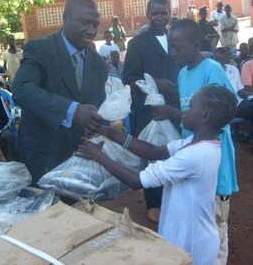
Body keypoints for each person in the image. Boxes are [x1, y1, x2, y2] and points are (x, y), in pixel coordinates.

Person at [78, 85, 237, 265]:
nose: (185, 111)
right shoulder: (197, 144)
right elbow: (152, 152)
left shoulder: (195, 155)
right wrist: (111, 133)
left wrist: (98, 155)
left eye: (191, 106)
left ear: (205, 116)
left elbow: (137, 181)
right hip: (189, 237)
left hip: (192, 244)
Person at [151, 19, 238, 264]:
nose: (173, 52)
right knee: (194, 226)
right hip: (190, 160)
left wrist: (173, 113)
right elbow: (190, 118)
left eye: (178, 47)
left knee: (215, 226)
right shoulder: (182, 73)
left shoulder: (212, 69)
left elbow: (222, 119)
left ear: (196, 44)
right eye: (171, 47)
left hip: (213, 167)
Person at [12, 0, 106, 187]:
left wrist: (100, 128)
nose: (91, 30)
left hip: (81, 159)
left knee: (78, 214)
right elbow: (22, 89)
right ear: (65, 18)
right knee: (43, 214)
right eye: (85, 22)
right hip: (43, 158)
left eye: (95, 24)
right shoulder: (40, 49)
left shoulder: (98, 64)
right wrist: (72, 110)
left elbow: (97, 106)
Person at [122, 0, 180, 223]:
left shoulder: (176, 38)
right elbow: (128, 78)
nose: (159, 17)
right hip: (151, 112)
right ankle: (154, 203)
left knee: (174, 152)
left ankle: (174, 197)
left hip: (175, 108)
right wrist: (156, 82)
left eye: (163, 13)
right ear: (147, 14)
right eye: (154, 13)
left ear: (169, 13)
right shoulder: (137, 44)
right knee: (152, 156)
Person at [213, 47, 253, 140]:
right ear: (214, 57)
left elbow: (241, 90)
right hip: (226, 107)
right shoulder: (212, 71)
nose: (220, 62)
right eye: (217, 59)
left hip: (239, 102)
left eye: (223, 59)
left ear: (228, 58)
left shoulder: (233, 69)